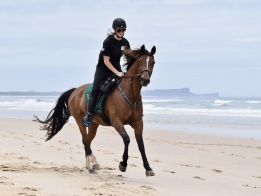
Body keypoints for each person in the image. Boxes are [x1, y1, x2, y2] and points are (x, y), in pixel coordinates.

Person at [82, 18, 131, 127]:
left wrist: (128, 71)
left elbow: (129, 58)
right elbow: (106, 61)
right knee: (95, 89)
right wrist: (117, 73)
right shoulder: (108, 42)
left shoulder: (125, 42)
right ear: (115, 29)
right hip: (103, 69)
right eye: (119, 30)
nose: (121, 32)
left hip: (117, 67)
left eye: (124, 30)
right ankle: (89, 114)